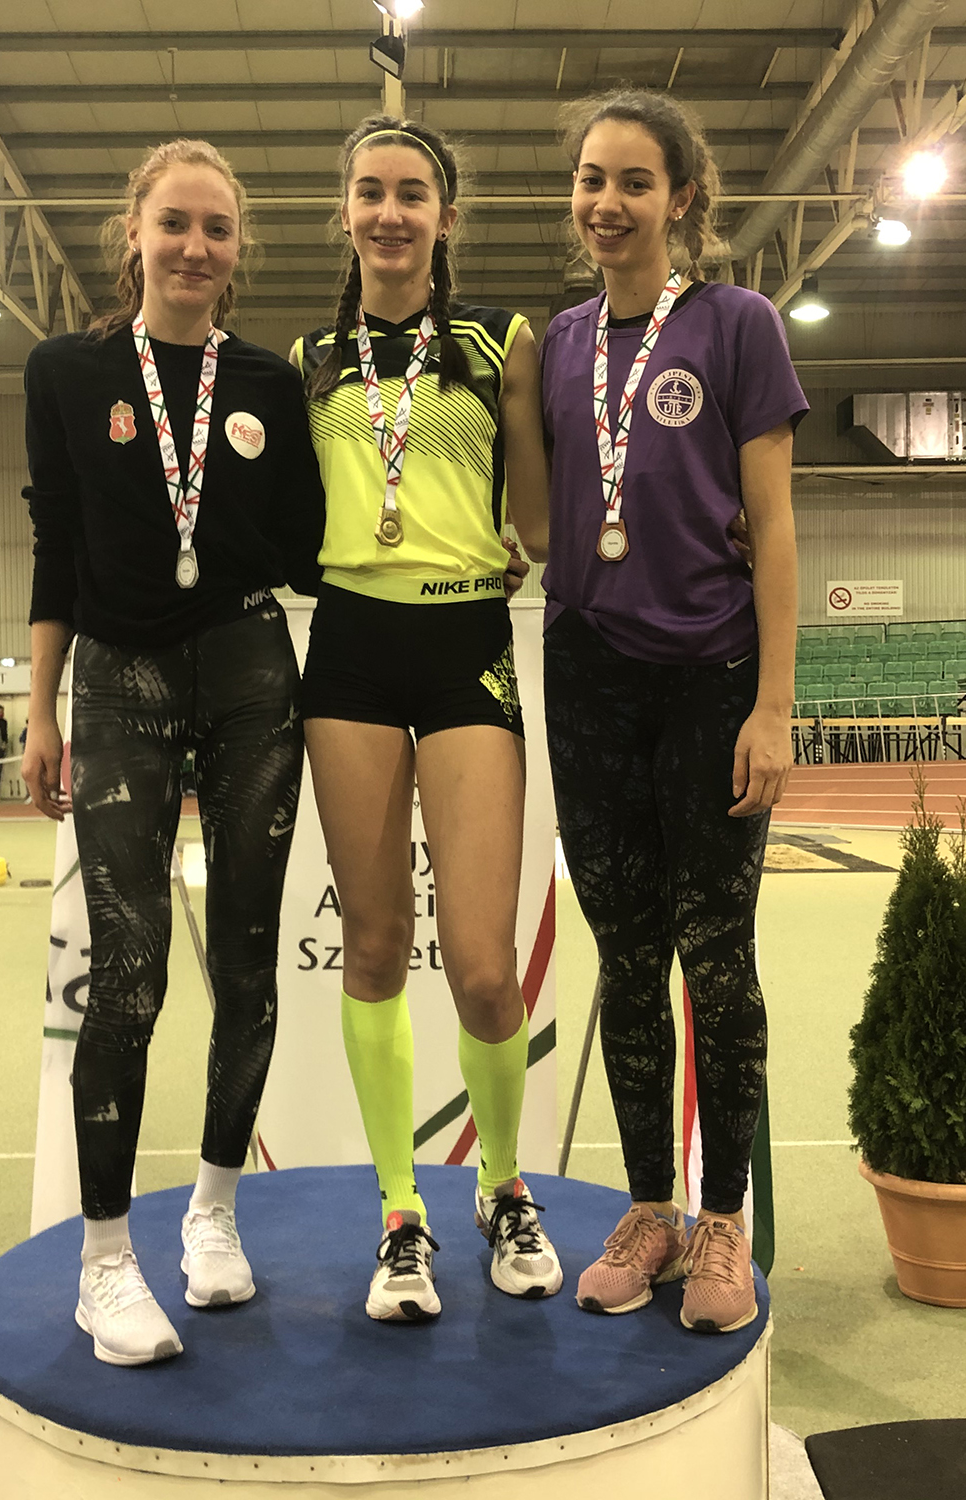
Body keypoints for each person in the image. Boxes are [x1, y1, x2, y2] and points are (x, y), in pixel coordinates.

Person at [21, 138, 325, 1367]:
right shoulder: (64, 372)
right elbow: (54, 548)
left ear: (238, 250)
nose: (195, 247)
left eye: (217, 228)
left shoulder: (268, 383)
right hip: (119, 678)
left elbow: (310, 546)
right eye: (175, 224)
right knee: (131, 970)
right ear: (133, 233)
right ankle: (104, 1261)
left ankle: (213, 1212)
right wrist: (40, 709)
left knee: (248, 963)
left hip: (251, 674)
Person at [540, 91, 804, 1335]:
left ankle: (725, 1222)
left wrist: (774, 706)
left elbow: (777, 526)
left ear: (681, 198)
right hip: (588, 673)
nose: (607, 203)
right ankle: (651, 1210)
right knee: (628, 959)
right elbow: (536, 512)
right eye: (591, 179)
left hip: (711, 673)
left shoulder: (738, 325)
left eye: (634, 181)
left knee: (719, 955)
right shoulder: (557, 342)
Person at [289, 116, 555, 1324]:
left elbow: (541, 523)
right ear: (345, 212)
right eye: (370, 192)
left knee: (487, 970)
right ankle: (402, 1213)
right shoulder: (308, 359)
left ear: (446, 218)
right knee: (377, 947)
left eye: (412, 195)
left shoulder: (501, 342)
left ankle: (502, 1187)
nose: (390, 213)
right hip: (348, 650)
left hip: (465, 649)